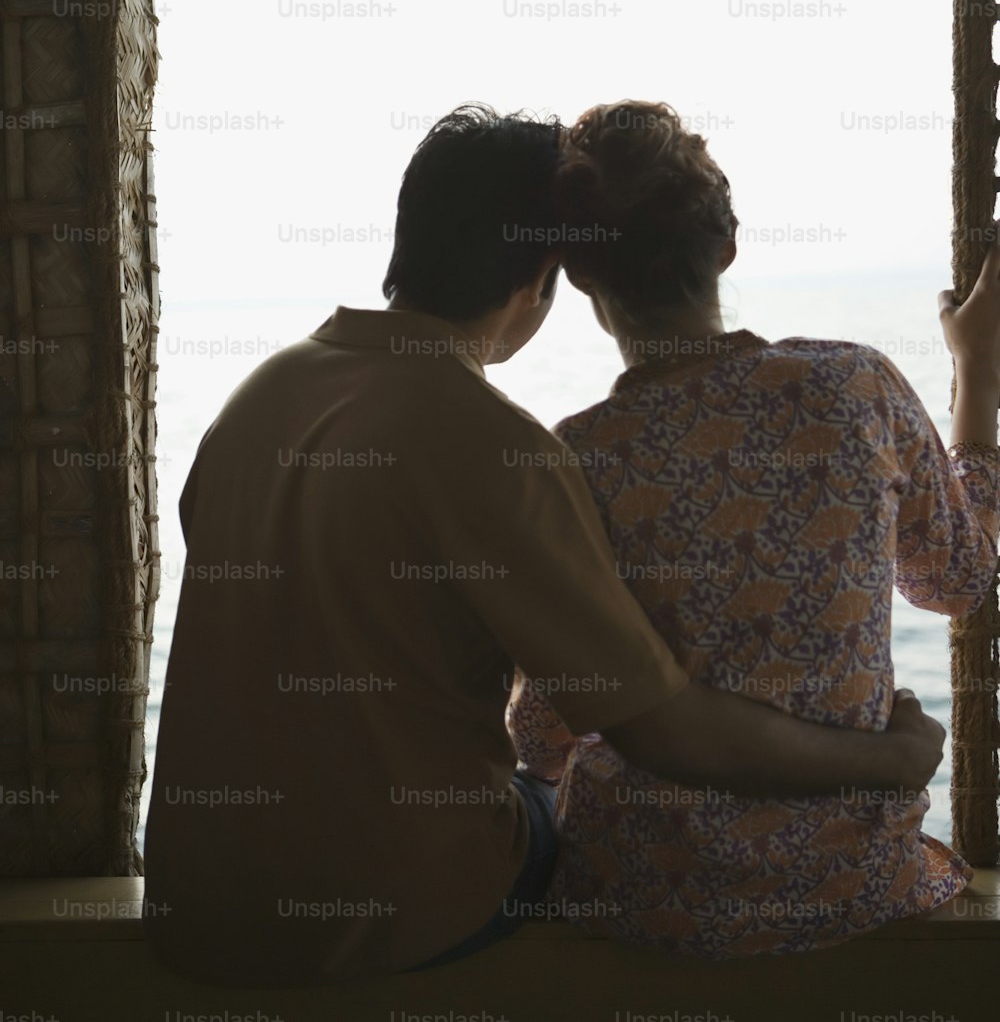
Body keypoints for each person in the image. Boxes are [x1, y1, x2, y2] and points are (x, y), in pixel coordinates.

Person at [142, 104, 946, 985]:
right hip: (390, 910)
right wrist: (892, 760)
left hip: (197, 899)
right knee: (557, 802)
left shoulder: (263, 389)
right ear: (544, 272)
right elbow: (664, 732)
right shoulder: (494, 443)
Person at [507, 99, 999, 960]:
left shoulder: (577, 457)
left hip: (642, 896)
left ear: (580, 275)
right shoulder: (856, 387)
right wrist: (979, 374)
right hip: (854, 881)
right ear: (726, 246)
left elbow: (543, 731)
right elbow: (955, 583)